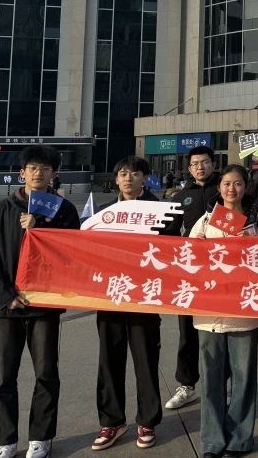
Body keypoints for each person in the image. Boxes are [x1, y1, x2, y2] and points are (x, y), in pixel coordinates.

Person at [0, 145, 79, 458]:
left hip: (44, 306)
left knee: (46, 373)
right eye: (33, 168)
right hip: (7, 307)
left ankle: (41, 437)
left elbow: (72, 252)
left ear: (54, 174)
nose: (39, 173)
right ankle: (5, 440)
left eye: (45, 168)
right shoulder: (0, 210)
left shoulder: (64, 210)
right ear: (22, 172)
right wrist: (6, 297)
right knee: (3, 377)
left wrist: (42, 228)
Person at [189, 155, 258, 458]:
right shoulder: (205, 222)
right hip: (209, 313)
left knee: (243, 378)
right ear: (219, 187)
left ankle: (240, 439)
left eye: (238, 183)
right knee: (211, 380)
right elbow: (188, 259)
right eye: (227, 183)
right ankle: (212, 442)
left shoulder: (257, 223)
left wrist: (251, 243)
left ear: (245, 187)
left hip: (244, 312)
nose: (232, 189)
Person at [91, 156, 180, 451]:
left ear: (145, 178)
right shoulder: (104, 213)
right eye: (123, 174)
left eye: (134, 173)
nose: (128, 178)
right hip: (111, 296)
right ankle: (112, 421)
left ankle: (147, 420)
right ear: (116, 179)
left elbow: (172, 251)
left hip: (145, 296)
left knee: (145, 358)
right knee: (109, 360)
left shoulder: (163, 211)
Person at [165, 145, 219, 411]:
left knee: (218, 331)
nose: (200, 167)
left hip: (220, 273)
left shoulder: (224, 190)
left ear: (213, 164)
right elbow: (169, 233)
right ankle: (186, 385)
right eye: (195, 163)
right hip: (189, 273)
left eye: (205, 162)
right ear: (189, 168)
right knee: (187, 331)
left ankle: (219, 385)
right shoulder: (180, 197)